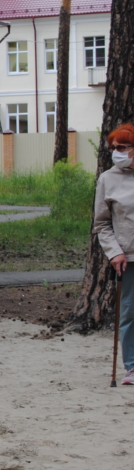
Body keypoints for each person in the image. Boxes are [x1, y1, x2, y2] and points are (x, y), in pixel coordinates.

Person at [93, 123, 134, 384]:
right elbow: (101, 224)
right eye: (114, 148)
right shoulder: (107, 179)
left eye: (123, 147)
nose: (117, 152)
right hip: (128, 258)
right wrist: (115, 253)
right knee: (129, 312)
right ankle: (132, 366)